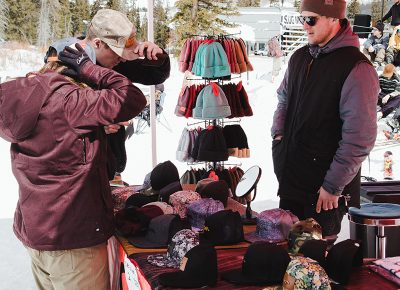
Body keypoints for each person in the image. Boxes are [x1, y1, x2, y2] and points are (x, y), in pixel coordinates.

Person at [0, 9, 169, 290]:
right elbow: (132, 97)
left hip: (38, 229)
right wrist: (90, 70)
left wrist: (93, 128)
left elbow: (55, 135)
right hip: (72, 237)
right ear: (96, 45)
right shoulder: (72, 100)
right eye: (113, 55)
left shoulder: (31, 90)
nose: (115, 64)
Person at [271, 0, 379, 241]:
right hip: (291, 181)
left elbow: (359, 137)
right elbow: (283, 100)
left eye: (311, 19)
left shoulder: (357, 67)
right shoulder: (299, 57)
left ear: (334, 18)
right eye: (302, 18)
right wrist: (278, 138)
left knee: (313, 269)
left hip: (324, 192)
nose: (304, 26)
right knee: (286, 262)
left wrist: (333, 185)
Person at [45, 8, 171, 180]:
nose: (123, 59)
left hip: (105, 164)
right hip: (75, 171)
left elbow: (155, 76)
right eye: (118, 54)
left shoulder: (111, 60)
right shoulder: (64, 66)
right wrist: (98, 127)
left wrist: (158, 56)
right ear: (98, 43)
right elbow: (53, 122)